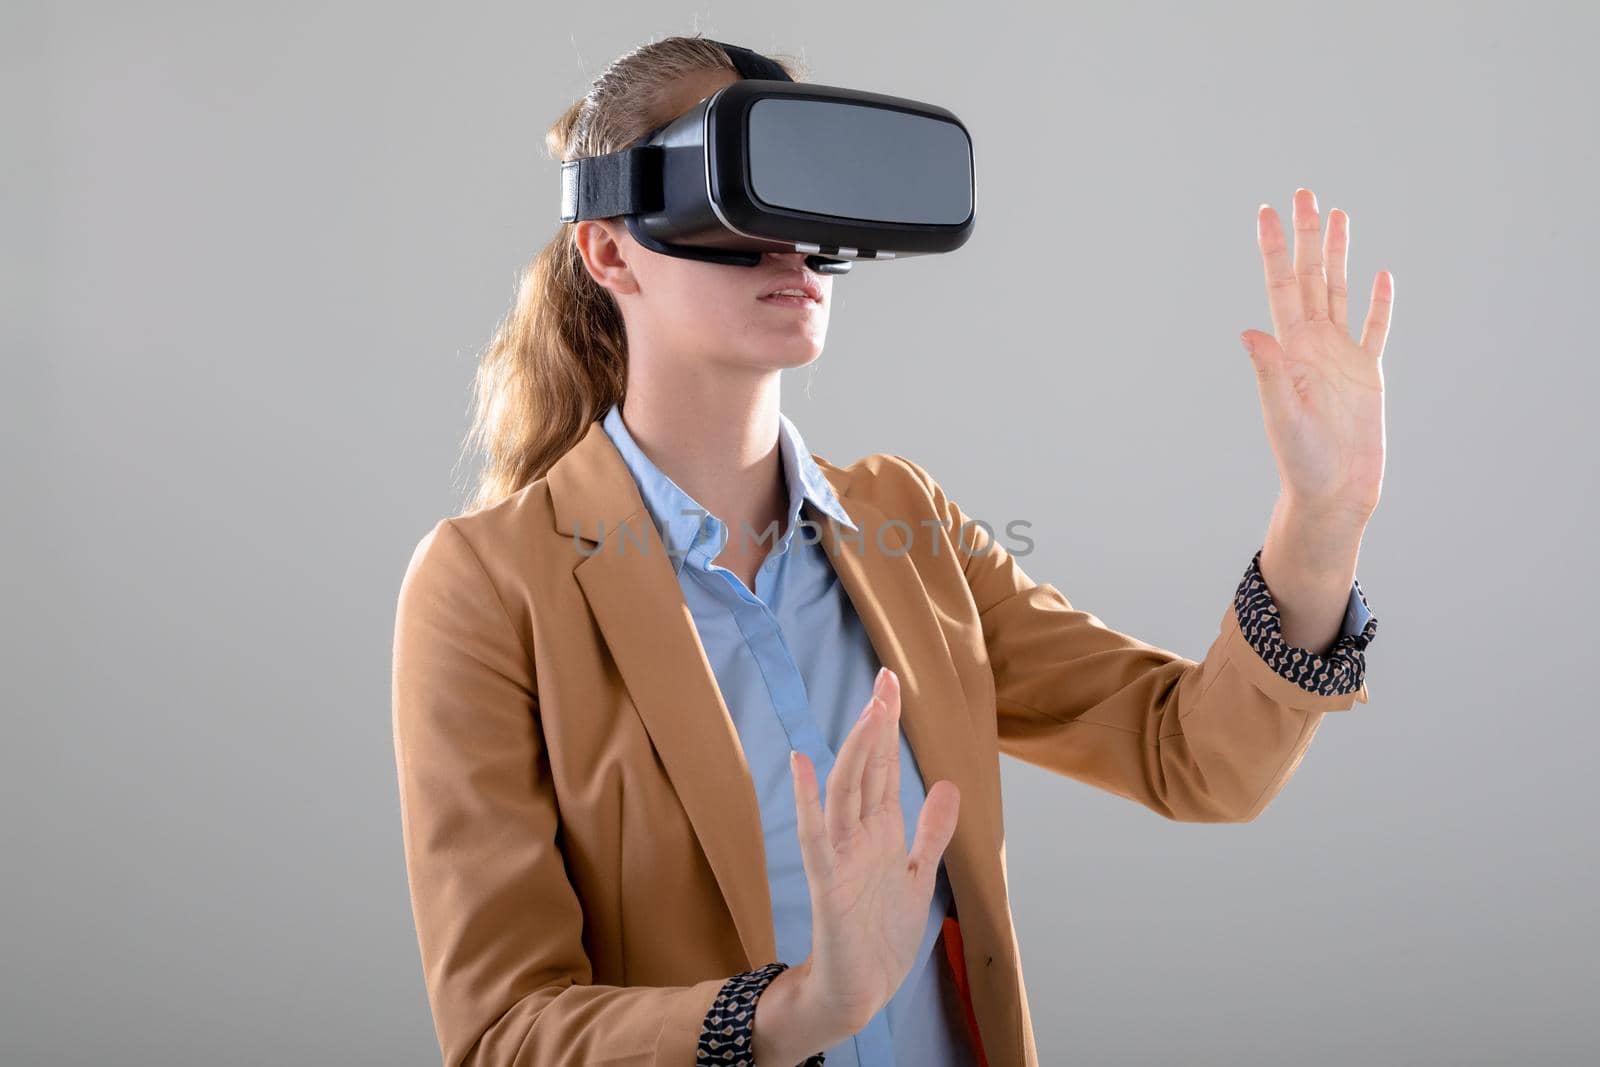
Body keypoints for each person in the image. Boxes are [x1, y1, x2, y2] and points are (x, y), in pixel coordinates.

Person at [390, 34, 1390, 1067]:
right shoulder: (489, 582)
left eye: (811, 205)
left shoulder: (904, 523)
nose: (792, 245)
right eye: (741, 200)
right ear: (609, 250)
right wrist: (797, 1010)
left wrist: (1320, 517)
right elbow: (504, 1031)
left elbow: (1194, 757)